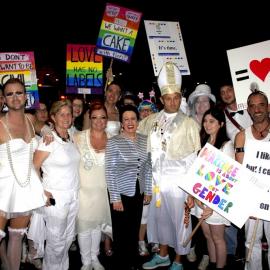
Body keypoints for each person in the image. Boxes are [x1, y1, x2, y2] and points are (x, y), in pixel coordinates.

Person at [139, 62, 201, 270]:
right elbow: (138, 143)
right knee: (160, 220)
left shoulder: (189, 123)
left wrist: (191, 191)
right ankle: (163, 255)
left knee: (180, 221)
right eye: (168, 98)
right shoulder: (151, 120)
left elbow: (194, 159)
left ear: (181, 98)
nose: (173, 102)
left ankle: (178, 260)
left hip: (179, 181)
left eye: (177, 98)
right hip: (157, 179)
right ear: (161, 99)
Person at [0, 78, 46, 270]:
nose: (15, 97)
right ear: (4, 99)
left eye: (19, 92)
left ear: (26, 96)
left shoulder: (31, 119)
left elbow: (45, 129)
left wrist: (48, 131)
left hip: (26, 186)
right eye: (10, 94)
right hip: (3, 187)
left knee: (17, 236)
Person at [32, 99, 80, 270]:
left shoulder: (72, 137)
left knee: (67, 238)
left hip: (73, 194)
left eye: (69, 114)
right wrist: (42, 191)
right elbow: (34, 167)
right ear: (53, 117)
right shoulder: (48, 140)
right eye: (62, 114)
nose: (66, 117)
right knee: (56, 241)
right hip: (56, 197)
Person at [105, 105, 152, 270]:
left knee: (134, 229)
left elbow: (147, 167)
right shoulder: (113, 142)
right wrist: (115, 197)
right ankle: (121, 264)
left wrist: (148, 190)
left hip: (138, 192)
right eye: (126, 119)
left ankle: (133, 262)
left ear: (138, 121)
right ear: (121, 123)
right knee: (121, 232)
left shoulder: (145, 140)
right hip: (121, 193)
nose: (130, 122)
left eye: (133, 118)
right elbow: (109, 171)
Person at [193, 107, 233, 270]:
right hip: (200, 199)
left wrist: (211, 204)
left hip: (216, 201)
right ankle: (213, 263)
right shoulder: (203, 143)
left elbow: (227, 179)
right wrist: (194, 196)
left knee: (218, 238)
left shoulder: (226, 146)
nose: (207, 125)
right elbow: (197, 173)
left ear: (221, 124)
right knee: (208, 236)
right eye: (205, 121)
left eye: (212, 121)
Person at [74, 102, 112, 270]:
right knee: (83, 226)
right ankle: (85, 261)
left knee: (97, 225)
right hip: (83, 191)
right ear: (90, 119)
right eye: (95, 117)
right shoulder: (78, 137)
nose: (99, 121)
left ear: (107, 119)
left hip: (103, 192)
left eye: (102, 117)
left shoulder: (113, 139)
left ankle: (95, 258)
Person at [235, 90, 270, 270]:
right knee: (251, 243)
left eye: (261, 105)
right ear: (248, 110)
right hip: (252, 197)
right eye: (253, 106)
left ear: (268, 107)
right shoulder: (241, 136)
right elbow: (240, 169)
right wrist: (251, 197)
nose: (257, 109)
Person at [220, 84, 252, 264]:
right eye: (222, 93)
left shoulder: (250, 107)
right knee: (241, 207)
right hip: (238, 164)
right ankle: (241, 248)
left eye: (229, 90)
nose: (226, 94)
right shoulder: (222, 116)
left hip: (259, 161)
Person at [187, 83, 216, 270]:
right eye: (198, 102)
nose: (201, 105)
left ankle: (206, 253)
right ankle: (192, 246)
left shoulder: (212, 123)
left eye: (205, 101)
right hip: (190, 172)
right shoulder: (189, 121)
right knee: (191, 212)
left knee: (206, 217)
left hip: (209, 176)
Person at [137, 99, 159, 256]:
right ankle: (141, 241)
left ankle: (155, 240)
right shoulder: (135, 130)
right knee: (144, 212)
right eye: (143, 110)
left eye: (149, 110)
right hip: (144, 176)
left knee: (157, 210)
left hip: (159, 176)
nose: (145, 113)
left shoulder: (160, 129)